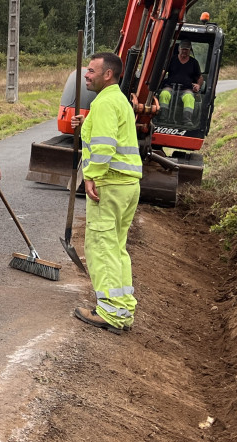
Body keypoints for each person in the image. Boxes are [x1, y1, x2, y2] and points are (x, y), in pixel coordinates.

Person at [70, 52, 142, 335]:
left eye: (91, 71)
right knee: (116, 247)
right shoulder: (117, 100)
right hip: (126, 186)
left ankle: (110, 312)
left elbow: (104, 145)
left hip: (109, 184)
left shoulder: (104, 103)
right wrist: (84, 123)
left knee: (101, 248)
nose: (86, 75)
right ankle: (122, 309)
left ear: (107, 74)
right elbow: (106, 134)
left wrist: (92, 176)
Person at [159, 40, 203, 126]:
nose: (184, 51)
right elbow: (163, 72)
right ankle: (163, 117)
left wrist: (198, 85)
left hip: (186, 89)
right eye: (183, 49)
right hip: (170, 86)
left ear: (190, 50)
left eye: (186, 49)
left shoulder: (194, 63)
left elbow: (200, 77)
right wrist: (157, 82)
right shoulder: (171, 59)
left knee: (189, 98)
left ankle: (187, 120)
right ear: (179, 49)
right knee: (164, 94)